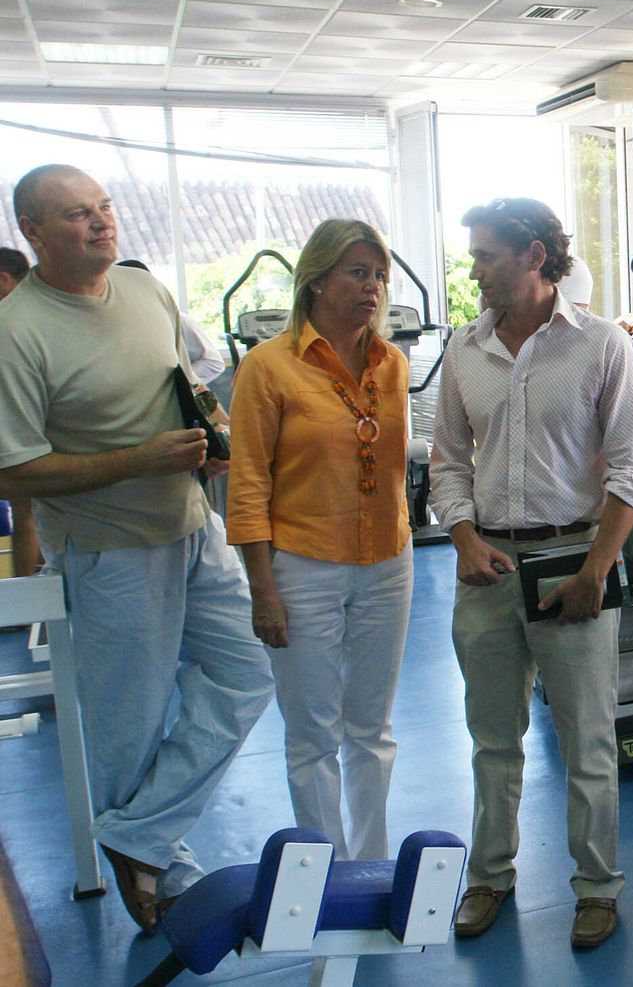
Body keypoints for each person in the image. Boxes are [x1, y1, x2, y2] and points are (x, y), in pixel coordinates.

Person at [0, 164, 273, 932]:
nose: (101, 222)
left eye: (105, 206)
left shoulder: (144, 288)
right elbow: (13, 469)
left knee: (250, 671)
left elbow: (186, 385)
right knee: (131, 724)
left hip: (192, 524)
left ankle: (136, 834)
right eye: (77, 214)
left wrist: (214, 434)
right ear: (33, 231)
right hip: (109, 550)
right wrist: (137, 460)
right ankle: (160, 867)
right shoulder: (17, 330)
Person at [429, 197, 633, 948]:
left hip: (573, 559)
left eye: (485, 256)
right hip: (486, 566)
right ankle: (489, 876)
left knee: (588, 740)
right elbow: (448, 461)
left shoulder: (601, 345)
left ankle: (597, 887)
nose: (474, 271)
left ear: (532, 256)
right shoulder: (464, 348)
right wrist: (463, 539)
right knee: (493, 739)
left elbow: (631, 467)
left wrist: (596, 570)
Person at [226, 219, 414, 862]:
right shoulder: (267, 367)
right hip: (302, 566)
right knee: (312, 735)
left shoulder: (392, 364)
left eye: (379, 276)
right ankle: (327, 873)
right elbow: (248, 484)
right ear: (316, 280)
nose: (372, 288)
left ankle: (371, 865)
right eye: (357, 273)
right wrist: (263, 590)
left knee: (373, 730)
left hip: (388, 562)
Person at [0, 247, 40, 578]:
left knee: (26, 512)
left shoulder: (16, 320)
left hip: (27, 432)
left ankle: (32, 598)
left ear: (3, 279)